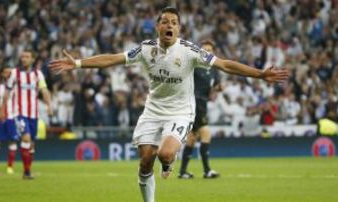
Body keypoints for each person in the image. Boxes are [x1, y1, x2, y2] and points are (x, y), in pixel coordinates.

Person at [49, 7, 289, 202]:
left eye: (174, 22)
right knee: (145, 161)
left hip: (181, 112)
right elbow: (113, 59)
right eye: (165, 21)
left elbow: (225, 64)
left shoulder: (189, 51)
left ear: (179, 28)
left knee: (164, 153)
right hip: (153, 110)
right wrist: (78, 63)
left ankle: (169, 161)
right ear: (158, 26)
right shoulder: (145, 49)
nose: (170, 25)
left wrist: (259, 74)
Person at [0, 50, 53, 179]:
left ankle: (27, 170)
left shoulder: (37, 74)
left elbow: (44, 90)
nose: (24, 59)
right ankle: (27, 172)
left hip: (33, 114)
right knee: (26, 139)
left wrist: (49, 105)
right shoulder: (14, 73)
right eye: (22, 56)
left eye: (27, 57)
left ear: (32, 59)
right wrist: (2, 109)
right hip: (20, 113)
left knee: (32, 144)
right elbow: (7, 92)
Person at [178, 40, 220, 179]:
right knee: (206, 134)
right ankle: (207, 171)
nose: (207, 52)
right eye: (204, 50)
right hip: (194, 103)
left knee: (191, 138)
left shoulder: (214, 69)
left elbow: (216, 86)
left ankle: (183, 172)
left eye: (210, 49)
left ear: (213, 52)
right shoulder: (195, 65)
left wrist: (217, 89)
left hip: (203, 103)